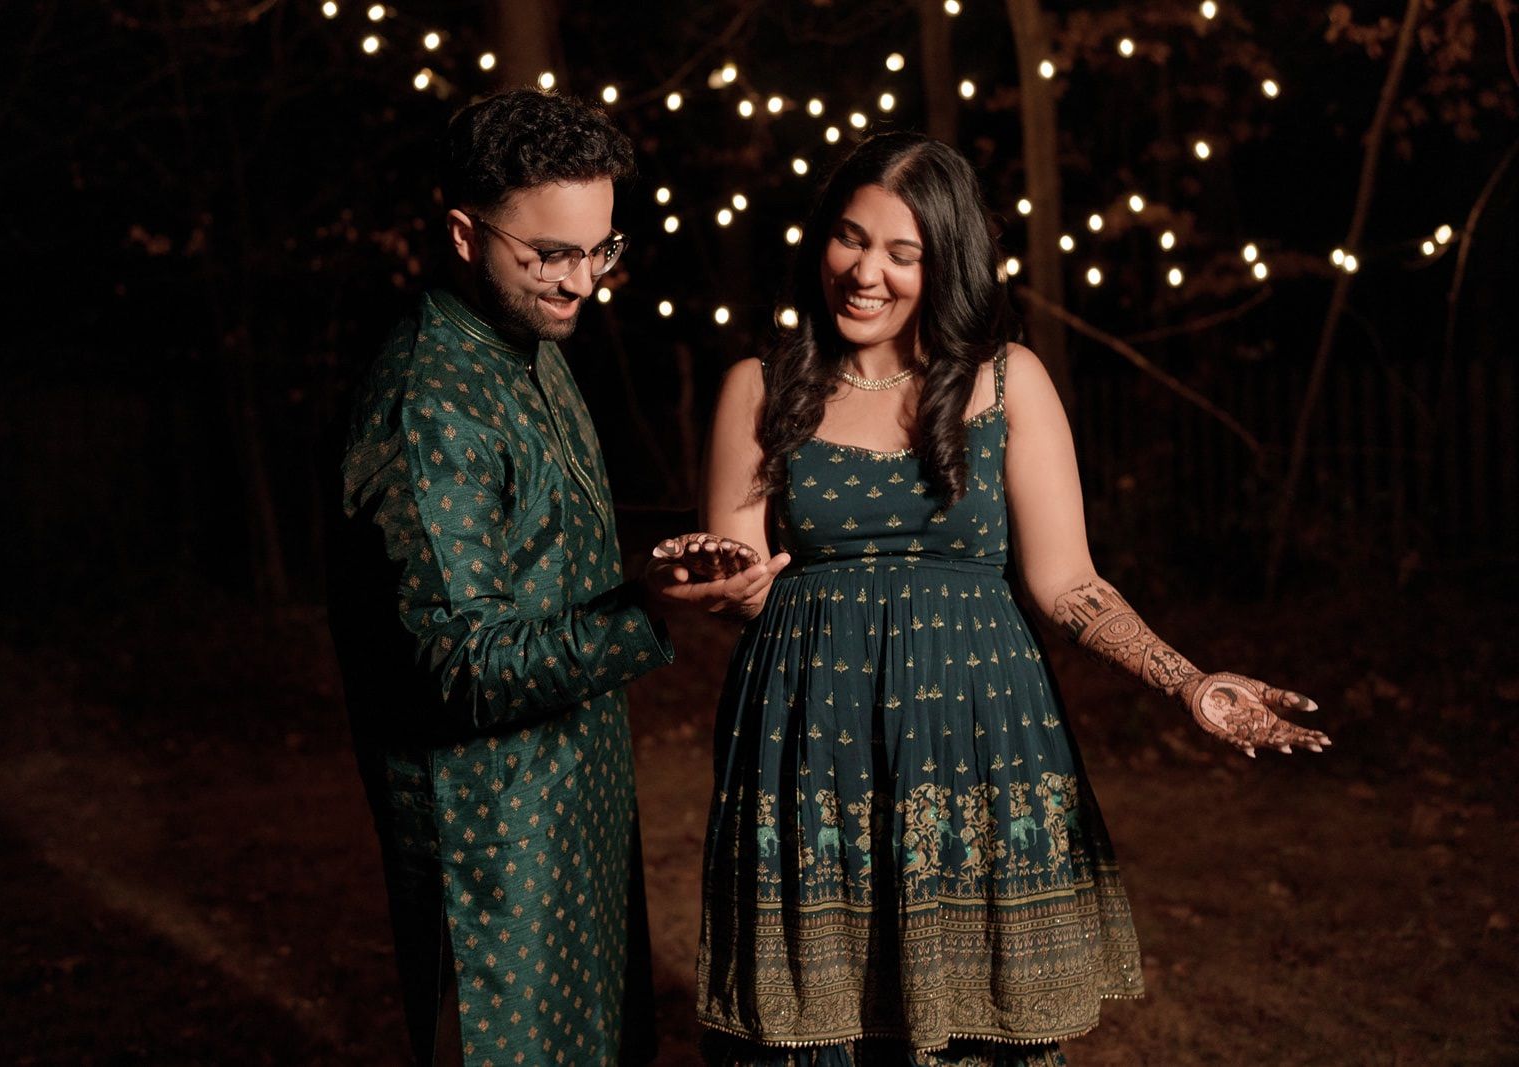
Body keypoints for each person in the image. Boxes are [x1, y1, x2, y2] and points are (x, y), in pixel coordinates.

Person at [678, 131, 1330, 1066]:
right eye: (850, 238)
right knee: (812, 1024)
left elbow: (1068, 581)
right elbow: (740, 579)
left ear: (945, 262)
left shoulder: (1005, 379)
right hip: (808, 734)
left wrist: (1187, 681)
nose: (865, 272)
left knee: (974, 1026)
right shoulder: (759, 386)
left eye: (902, 253)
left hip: (975, 731)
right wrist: (718, 582)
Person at [327, 88, 785, 1067]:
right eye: (550, 253)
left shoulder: (530, 342)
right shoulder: (428, 407)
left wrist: (661, 580)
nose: (582, 281)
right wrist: (643, 608)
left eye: (599, 249)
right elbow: (460, 665)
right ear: (465, 233)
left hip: (579, 804)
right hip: (488, 848)